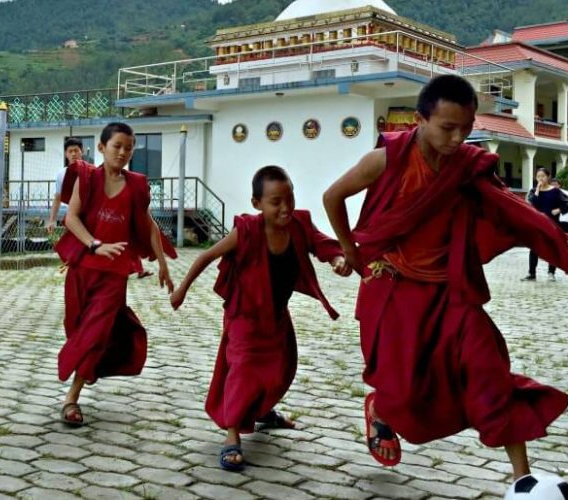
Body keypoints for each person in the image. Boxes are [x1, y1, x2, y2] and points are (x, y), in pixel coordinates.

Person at [322, 75, 568, 480]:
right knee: (405, 393)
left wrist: (555, 238)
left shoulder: (467, 165)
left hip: (452, 294)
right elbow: (332, 196)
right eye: (447, 128)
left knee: (491, 373)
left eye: (465, 128)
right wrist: (348, 248)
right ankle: (381, 408)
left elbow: (510, 208)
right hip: (395, 289)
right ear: (420, 119)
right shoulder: (387, 159)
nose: (457, 138)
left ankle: (523, 479)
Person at [170, 166, 350, 471]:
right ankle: (232, 436)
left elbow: (322, 244)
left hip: (276, 314)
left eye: (289, 199)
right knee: (243, 370)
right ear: (257, 204)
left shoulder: (299, 224)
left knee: (282, 368)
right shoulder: (247, 231)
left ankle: (263, 411)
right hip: (245, 316)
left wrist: (337, 259)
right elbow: (205, 256)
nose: (285, 208)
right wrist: (182, 291)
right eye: (275, 201)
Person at [54, 122, 176, 427]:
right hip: (83, 270)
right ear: (101, 147)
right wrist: (94, 245)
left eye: (129, 147)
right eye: (117, 146)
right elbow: (71, 219)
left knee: (93, 334)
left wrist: (162, 262)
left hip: (113, 277)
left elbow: (149, 226)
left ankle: (72, 398)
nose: (123, 152)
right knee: (78, 329)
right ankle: (87, 367)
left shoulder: (135, 185)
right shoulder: (88, 177)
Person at [523, 169, 568, 282]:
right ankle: (532, 274)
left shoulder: (555, 191)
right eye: (538, 176)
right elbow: (532, 204)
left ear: (548, 177)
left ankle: (551, 273)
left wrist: (559, 210)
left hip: (552, 224)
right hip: (537, 224)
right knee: (534, 248)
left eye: (543, 176)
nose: (540, 178)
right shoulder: (533, 191)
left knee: (552, 248)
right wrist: (537, 189)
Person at [46, 137, 85, 235]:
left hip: (90, 218)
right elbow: (58, 198)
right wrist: (52, 220)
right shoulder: (62, 174)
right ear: (65, 154)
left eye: (76, 150)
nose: (73, 154)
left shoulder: (91, 172)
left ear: (82, 152)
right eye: (70, 151)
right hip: (72, 218)